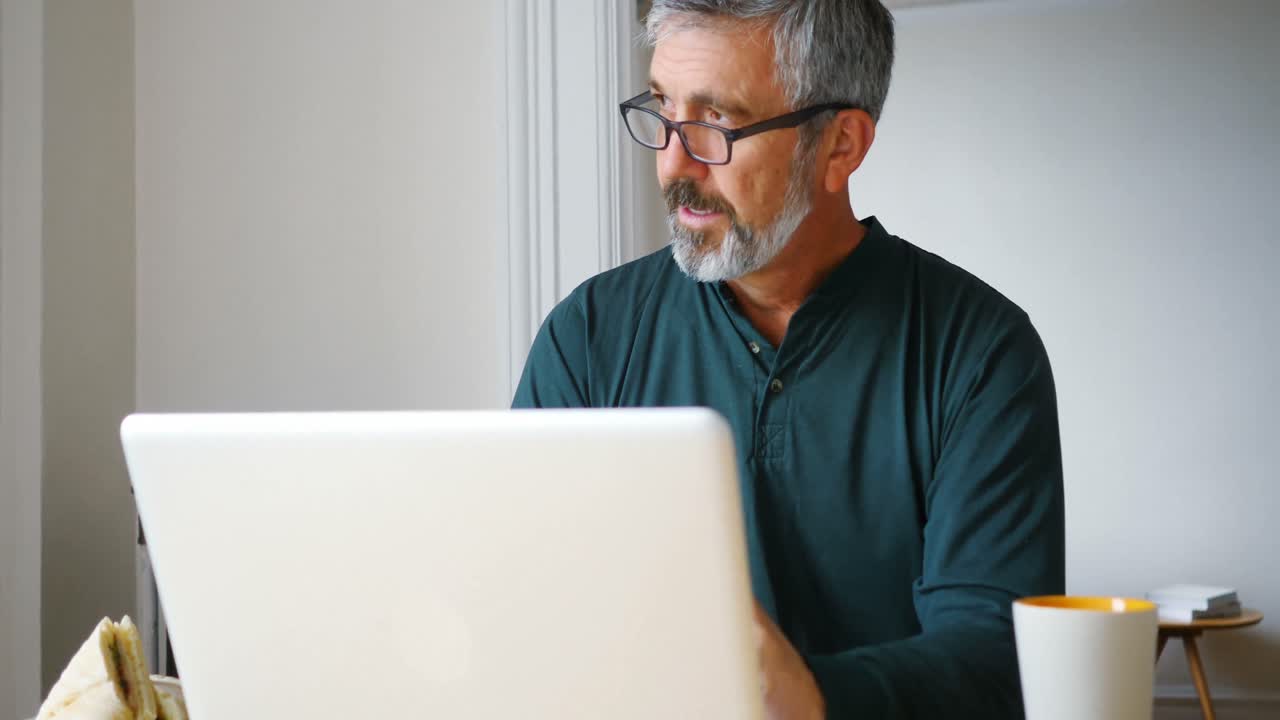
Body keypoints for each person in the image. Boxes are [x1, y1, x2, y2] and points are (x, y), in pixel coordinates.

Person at [512, 1, 1064, 717]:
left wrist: (812, 696)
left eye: (715, 124)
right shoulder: (586, 337)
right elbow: (523, 601)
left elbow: (997, 657)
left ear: (841, 145)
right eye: (661, 110)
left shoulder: (982, 352)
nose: (673, 164)